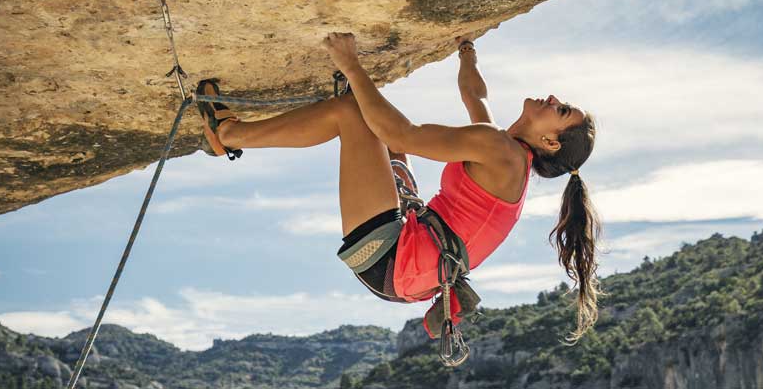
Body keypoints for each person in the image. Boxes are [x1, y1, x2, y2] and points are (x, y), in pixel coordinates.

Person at [195, 32, 601, 343]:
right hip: (411, 264)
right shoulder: (504, 148)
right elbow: (475, 94)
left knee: (353, 114)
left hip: (393, 259)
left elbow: (404, 134)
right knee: (372, 121)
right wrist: (466, 50)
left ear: (551, 142)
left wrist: (352, 65)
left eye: (560, 110)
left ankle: (228, 134)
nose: (552, 99)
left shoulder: (502, 152)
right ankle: (329, 101)